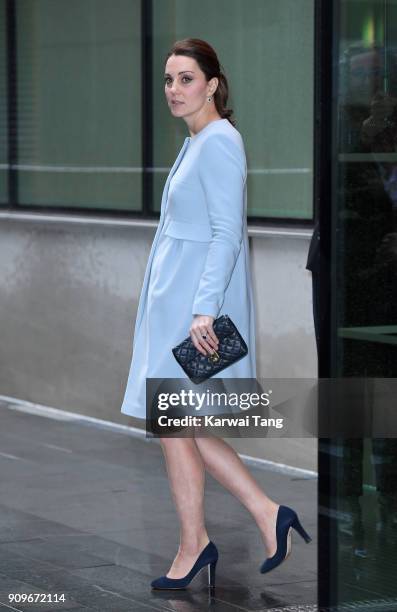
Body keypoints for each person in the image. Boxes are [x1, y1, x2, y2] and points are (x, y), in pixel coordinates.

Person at [120, 38, 311, 590]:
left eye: (185, 79)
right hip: (174, 302)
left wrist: (203, 311)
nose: (173, 90)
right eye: (168, 80)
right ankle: (253, 519)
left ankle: (201, 542)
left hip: (192, 307)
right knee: (181, 426)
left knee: (179, 425)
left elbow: (228, 235)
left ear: (213, 83)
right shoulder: (198, 141)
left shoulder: (221, 141)